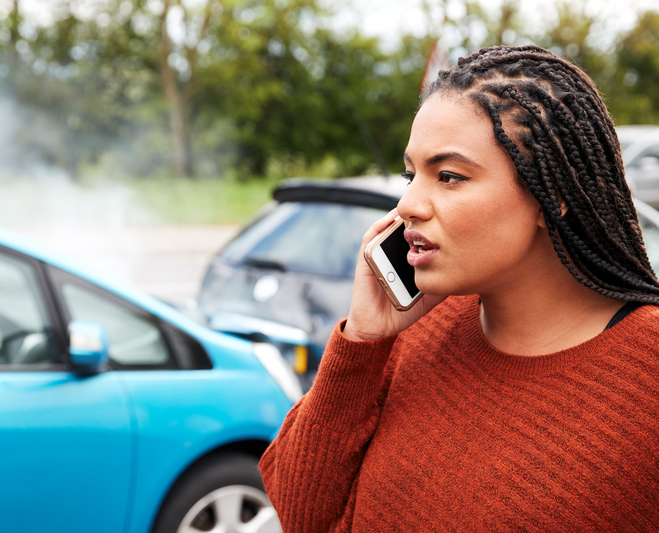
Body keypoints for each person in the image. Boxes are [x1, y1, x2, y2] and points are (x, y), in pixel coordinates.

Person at [258, 45, 659, 532]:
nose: (408, 204)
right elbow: (302, 515)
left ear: (550, 195)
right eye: (411, 174)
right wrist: (363, 341)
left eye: (448, 176)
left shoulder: (645, 375)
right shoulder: (413, 331)